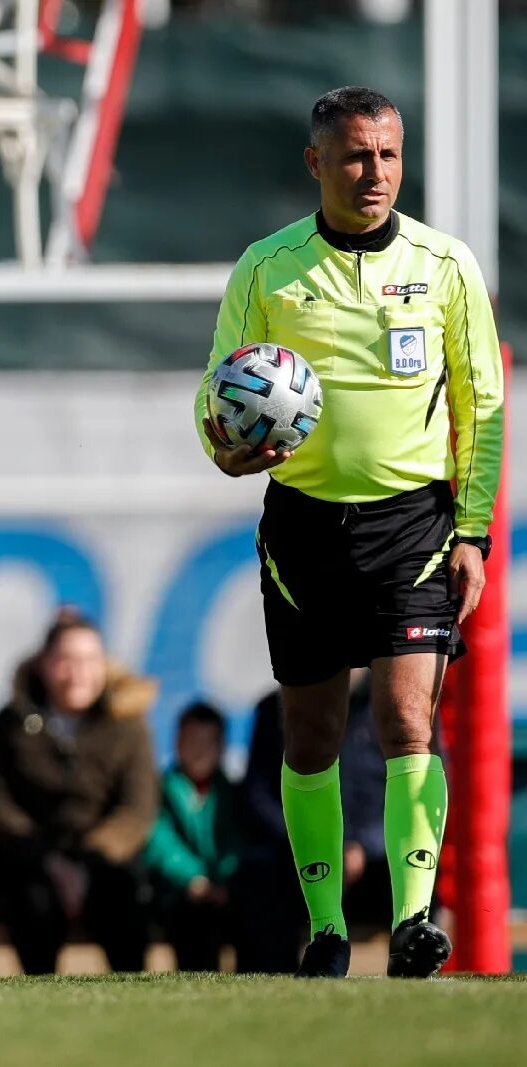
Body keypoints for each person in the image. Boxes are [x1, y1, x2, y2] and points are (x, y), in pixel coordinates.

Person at [196, 86, 503, 979]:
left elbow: (480, 403)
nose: (376, 172)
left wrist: (474, 529)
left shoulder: (445, 265)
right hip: (302, 529)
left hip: (414, 523)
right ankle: (326, 928)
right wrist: (225, 446)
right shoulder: (268, 268)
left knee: (408, 716)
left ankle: (413, 920)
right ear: (316, 162)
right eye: (357, 155)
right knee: (311, 734)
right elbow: (216, 389)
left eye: (389, 154)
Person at [0, 614, 158, 976]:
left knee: (122, 894)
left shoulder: (127, 723)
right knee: (33, 900)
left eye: (90, 661)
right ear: (45, 665)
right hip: (34, 859)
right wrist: (49, 859)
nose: (78, 672)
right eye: (66, 660)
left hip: (106, 858)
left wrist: (90, 861)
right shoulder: (13, 722)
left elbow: (137, 808)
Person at [232, 675, 395, 973]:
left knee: (415, 876)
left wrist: (362, 845)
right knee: (258, 874)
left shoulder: (396, 704)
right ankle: (273, 986)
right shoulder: (275, 708)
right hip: (296, 858)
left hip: (371, 865)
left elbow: (413, 793)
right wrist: (307, 844)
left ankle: (414, 969)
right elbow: (256, 796)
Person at [141, 701, 244, 972]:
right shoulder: (159, 790)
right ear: (176, 743)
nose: (199, 751)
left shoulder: (233, 793)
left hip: (227, 891)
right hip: (176, 895)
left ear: (222, 747)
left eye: (208, 742)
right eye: (191, 741)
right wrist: (193, 878)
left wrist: (224, 879)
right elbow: (158, 841)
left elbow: (238, 842)